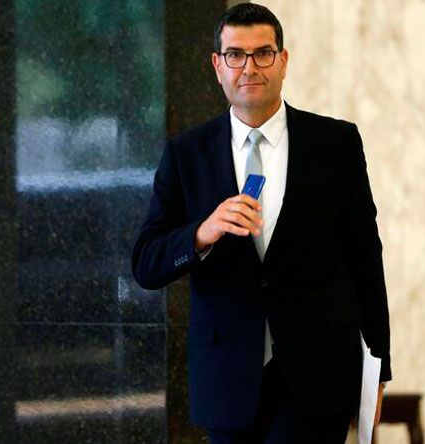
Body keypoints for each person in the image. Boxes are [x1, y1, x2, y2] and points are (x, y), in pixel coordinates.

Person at [131, 3, 391, 443]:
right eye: (235, 55)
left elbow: (366, 260)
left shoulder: (335, 143)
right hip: (226, 380)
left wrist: (378, 371)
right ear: (217, 66)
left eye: (263, 53)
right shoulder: (186, 153)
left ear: (283, 61)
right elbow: (146, 262)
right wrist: (202, 233)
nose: (249, 67)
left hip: (318, 376)